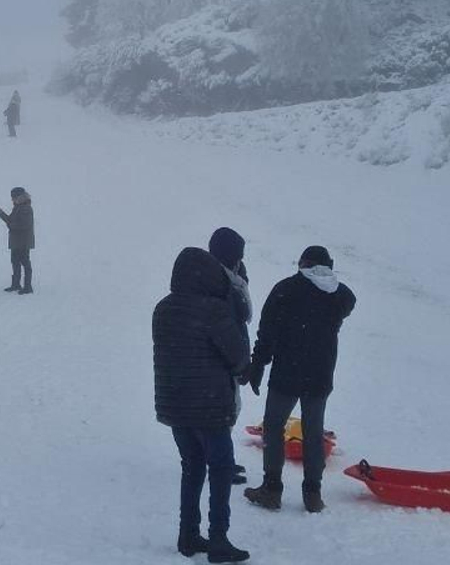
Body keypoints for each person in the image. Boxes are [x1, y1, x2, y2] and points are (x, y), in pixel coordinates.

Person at [152, 247, 251, 564]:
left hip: (176, 406)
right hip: (210, 407)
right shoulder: (213, 310)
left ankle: (188, 534)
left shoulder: (163, 309)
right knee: (221, 470)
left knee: (192, 467)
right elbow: (238, 357)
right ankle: (219, 538)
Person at [243, 246, 356, 514]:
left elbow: (267, 333)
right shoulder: (340, 295)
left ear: (303, 263)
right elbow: (348, 301)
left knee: (273, 427)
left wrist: (258, 365)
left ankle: (272, 489)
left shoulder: (286, 290)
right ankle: (312, 494)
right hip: (320, 375)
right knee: (314, 433)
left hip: (287, 373)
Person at [208, 228, 252, 486]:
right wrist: (238, 358)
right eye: (238, 255)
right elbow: (226, 321)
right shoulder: (218, 281)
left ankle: (222, 460)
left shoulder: (232, 279)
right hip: (220, 355)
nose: (241, 259)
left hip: (229, 350)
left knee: (229, 409)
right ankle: (219, 463)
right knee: (222, 412)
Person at [0, 187, 35, 294]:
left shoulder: (26, 208)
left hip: (23, 242)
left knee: (25, 262)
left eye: (14, 197)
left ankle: (28, 286)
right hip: (16, 241)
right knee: (15, 262)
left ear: (21, 197)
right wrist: (1, 214)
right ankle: (16, 284)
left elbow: (24, 225)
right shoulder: (17, 207)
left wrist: (11, 225)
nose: (12, 200)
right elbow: (10, 220)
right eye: (12, 198)